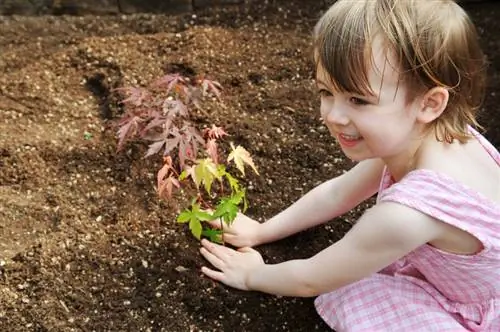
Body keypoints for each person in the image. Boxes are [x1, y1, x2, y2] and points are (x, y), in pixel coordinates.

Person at [198, 0, 500, 330]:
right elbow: (337, 194)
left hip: (478, 311)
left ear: (429, 104)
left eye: (358, 100)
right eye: (327, 92)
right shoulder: (421, 138)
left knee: (353, 289)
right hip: (468, 281)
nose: (332, 115)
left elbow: (311, 279)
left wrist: (254, 275)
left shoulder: (409, 214)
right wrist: (261, 231)